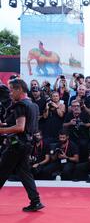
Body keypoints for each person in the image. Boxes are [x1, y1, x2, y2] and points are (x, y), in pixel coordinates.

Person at [0, 80, 45, 212]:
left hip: (16, 145)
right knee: (24, 173)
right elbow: (26, 126)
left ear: (19, 89)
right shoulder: (33, 105)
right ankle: (36, 201)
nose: (10, 94)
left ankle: (36, 201)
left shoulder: (20, 105)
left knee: (2, 171)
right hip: (27, 144)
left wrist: (1, 130)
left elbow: (20, 127)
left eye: (12, 90)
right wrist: (6, 126)